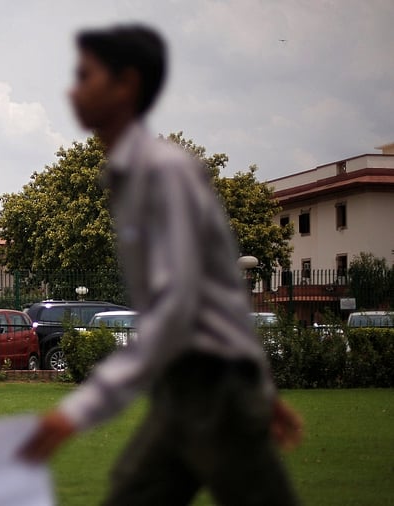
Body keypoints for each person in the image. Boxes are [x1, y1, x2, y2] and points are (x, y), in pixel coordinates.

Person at [19, 25, 303, 505]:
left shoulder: (162, 174)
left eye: (86, 75)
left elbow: (179, 307)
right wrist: (261, 384)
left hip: (212, 392)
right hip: (189, 389)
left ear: (126, 85)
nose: (73, 89)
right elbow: (223, 296)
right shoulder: (131, 177)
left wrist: (79, 410)